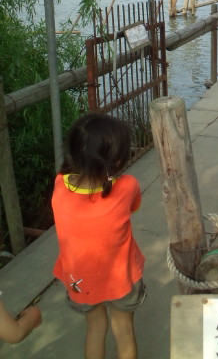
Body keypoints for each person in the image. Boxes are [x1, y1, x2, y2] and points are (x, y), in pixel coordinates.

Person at [52, 113, 146, 359]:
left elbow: (68, 177)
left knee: (95, 329)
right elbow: (133, 207)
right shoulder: (128, 186)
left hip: (80, 280)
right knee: (124, 332)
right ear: (116, 160)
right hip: (122, 277)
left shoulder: (59, 186)